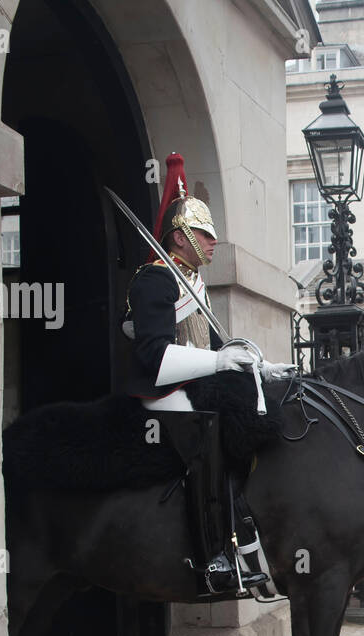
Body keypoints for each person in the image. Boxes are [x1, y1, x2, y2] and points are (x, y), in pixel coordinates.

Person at [123, 152, 287, 595]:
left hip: (196, 380)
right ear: (178, 237)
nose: (213, 242)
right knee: (207, 447)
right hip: (163, 389)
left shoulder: (193, 281)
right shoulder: (154, 279)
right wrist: (218, 363)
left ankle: (250, 543)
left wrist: (260, 367)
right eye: (203, 234)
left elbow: (216, 347)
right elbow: (155, 356)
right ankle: (215, 556)